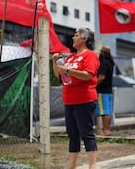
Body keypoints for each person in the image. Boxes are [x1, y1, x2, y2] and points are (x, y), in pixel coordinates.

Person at [52, 27, 99, 169]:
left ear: (84, 39)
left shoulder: (90, 55)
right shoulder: (71, 57)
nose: (73, 38)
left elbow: (88, 75)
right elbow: (59, 76)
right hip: (70, 100)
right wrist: (55, 62)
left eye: (76, 35)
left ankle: (93, 164)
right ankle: (71, 165)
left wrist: (67, 70)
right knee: (72, 134)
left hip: (84, 99)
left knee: (86, 133)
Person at [95, 46, 115, 136]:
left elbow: (101, 77)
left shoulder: (103, 63)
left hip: (102, 90)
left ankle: (105, 130)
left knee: (104, 112)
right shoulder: (110, 63)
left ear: (103, 53)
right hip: (109, 90)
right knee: (108, 111)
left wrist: (93, 85)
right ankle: (107, 130)